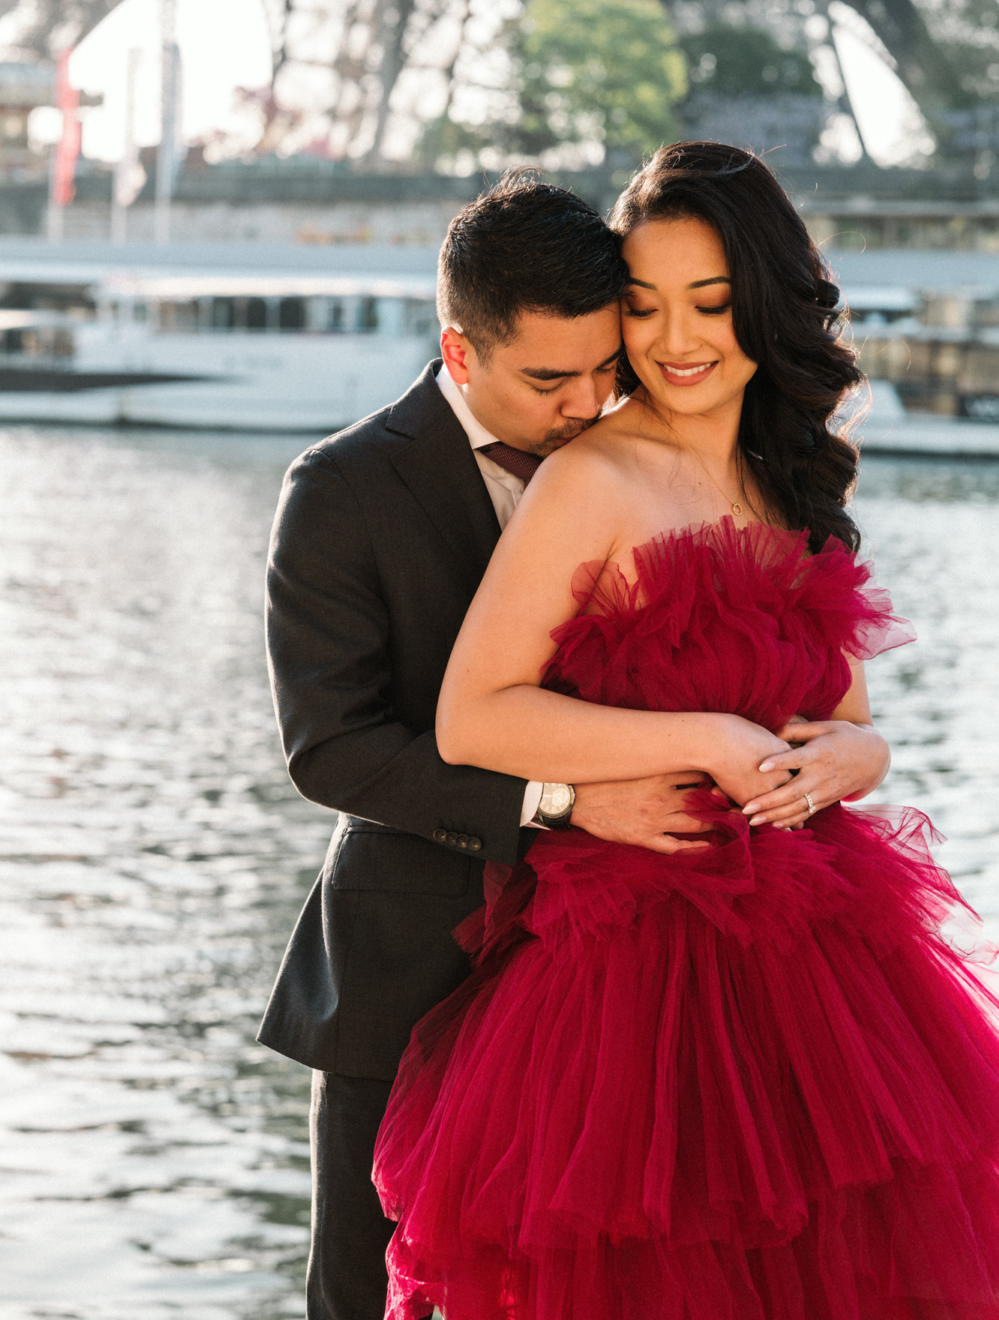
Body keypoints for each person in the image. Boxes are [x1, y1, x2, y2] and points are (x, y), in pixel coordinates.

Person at [373, 144, 999, 1320]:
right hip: (635, 977)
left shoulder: (792, 480)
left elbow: (847, 726)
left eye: (708, 303)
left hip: (818, 970)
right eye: (643, 306)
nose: (673, 339)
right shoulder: (593, 478)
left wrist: (855, 759)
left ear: (764, 300)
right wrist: (706, 738)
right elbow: (474, 715)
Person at [257, 172, 888, 1320]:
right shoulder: (346, 488)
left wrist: (860, 752)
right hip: (420, 939)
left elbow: (828, 700)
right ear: (461, 353)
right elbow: (334, 750)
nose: (594, 395)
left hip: (681, 965)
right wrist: (560, 798)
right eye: (554, 378)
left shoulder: (687, 452)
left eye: (608, 361)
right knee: (367, 1291)